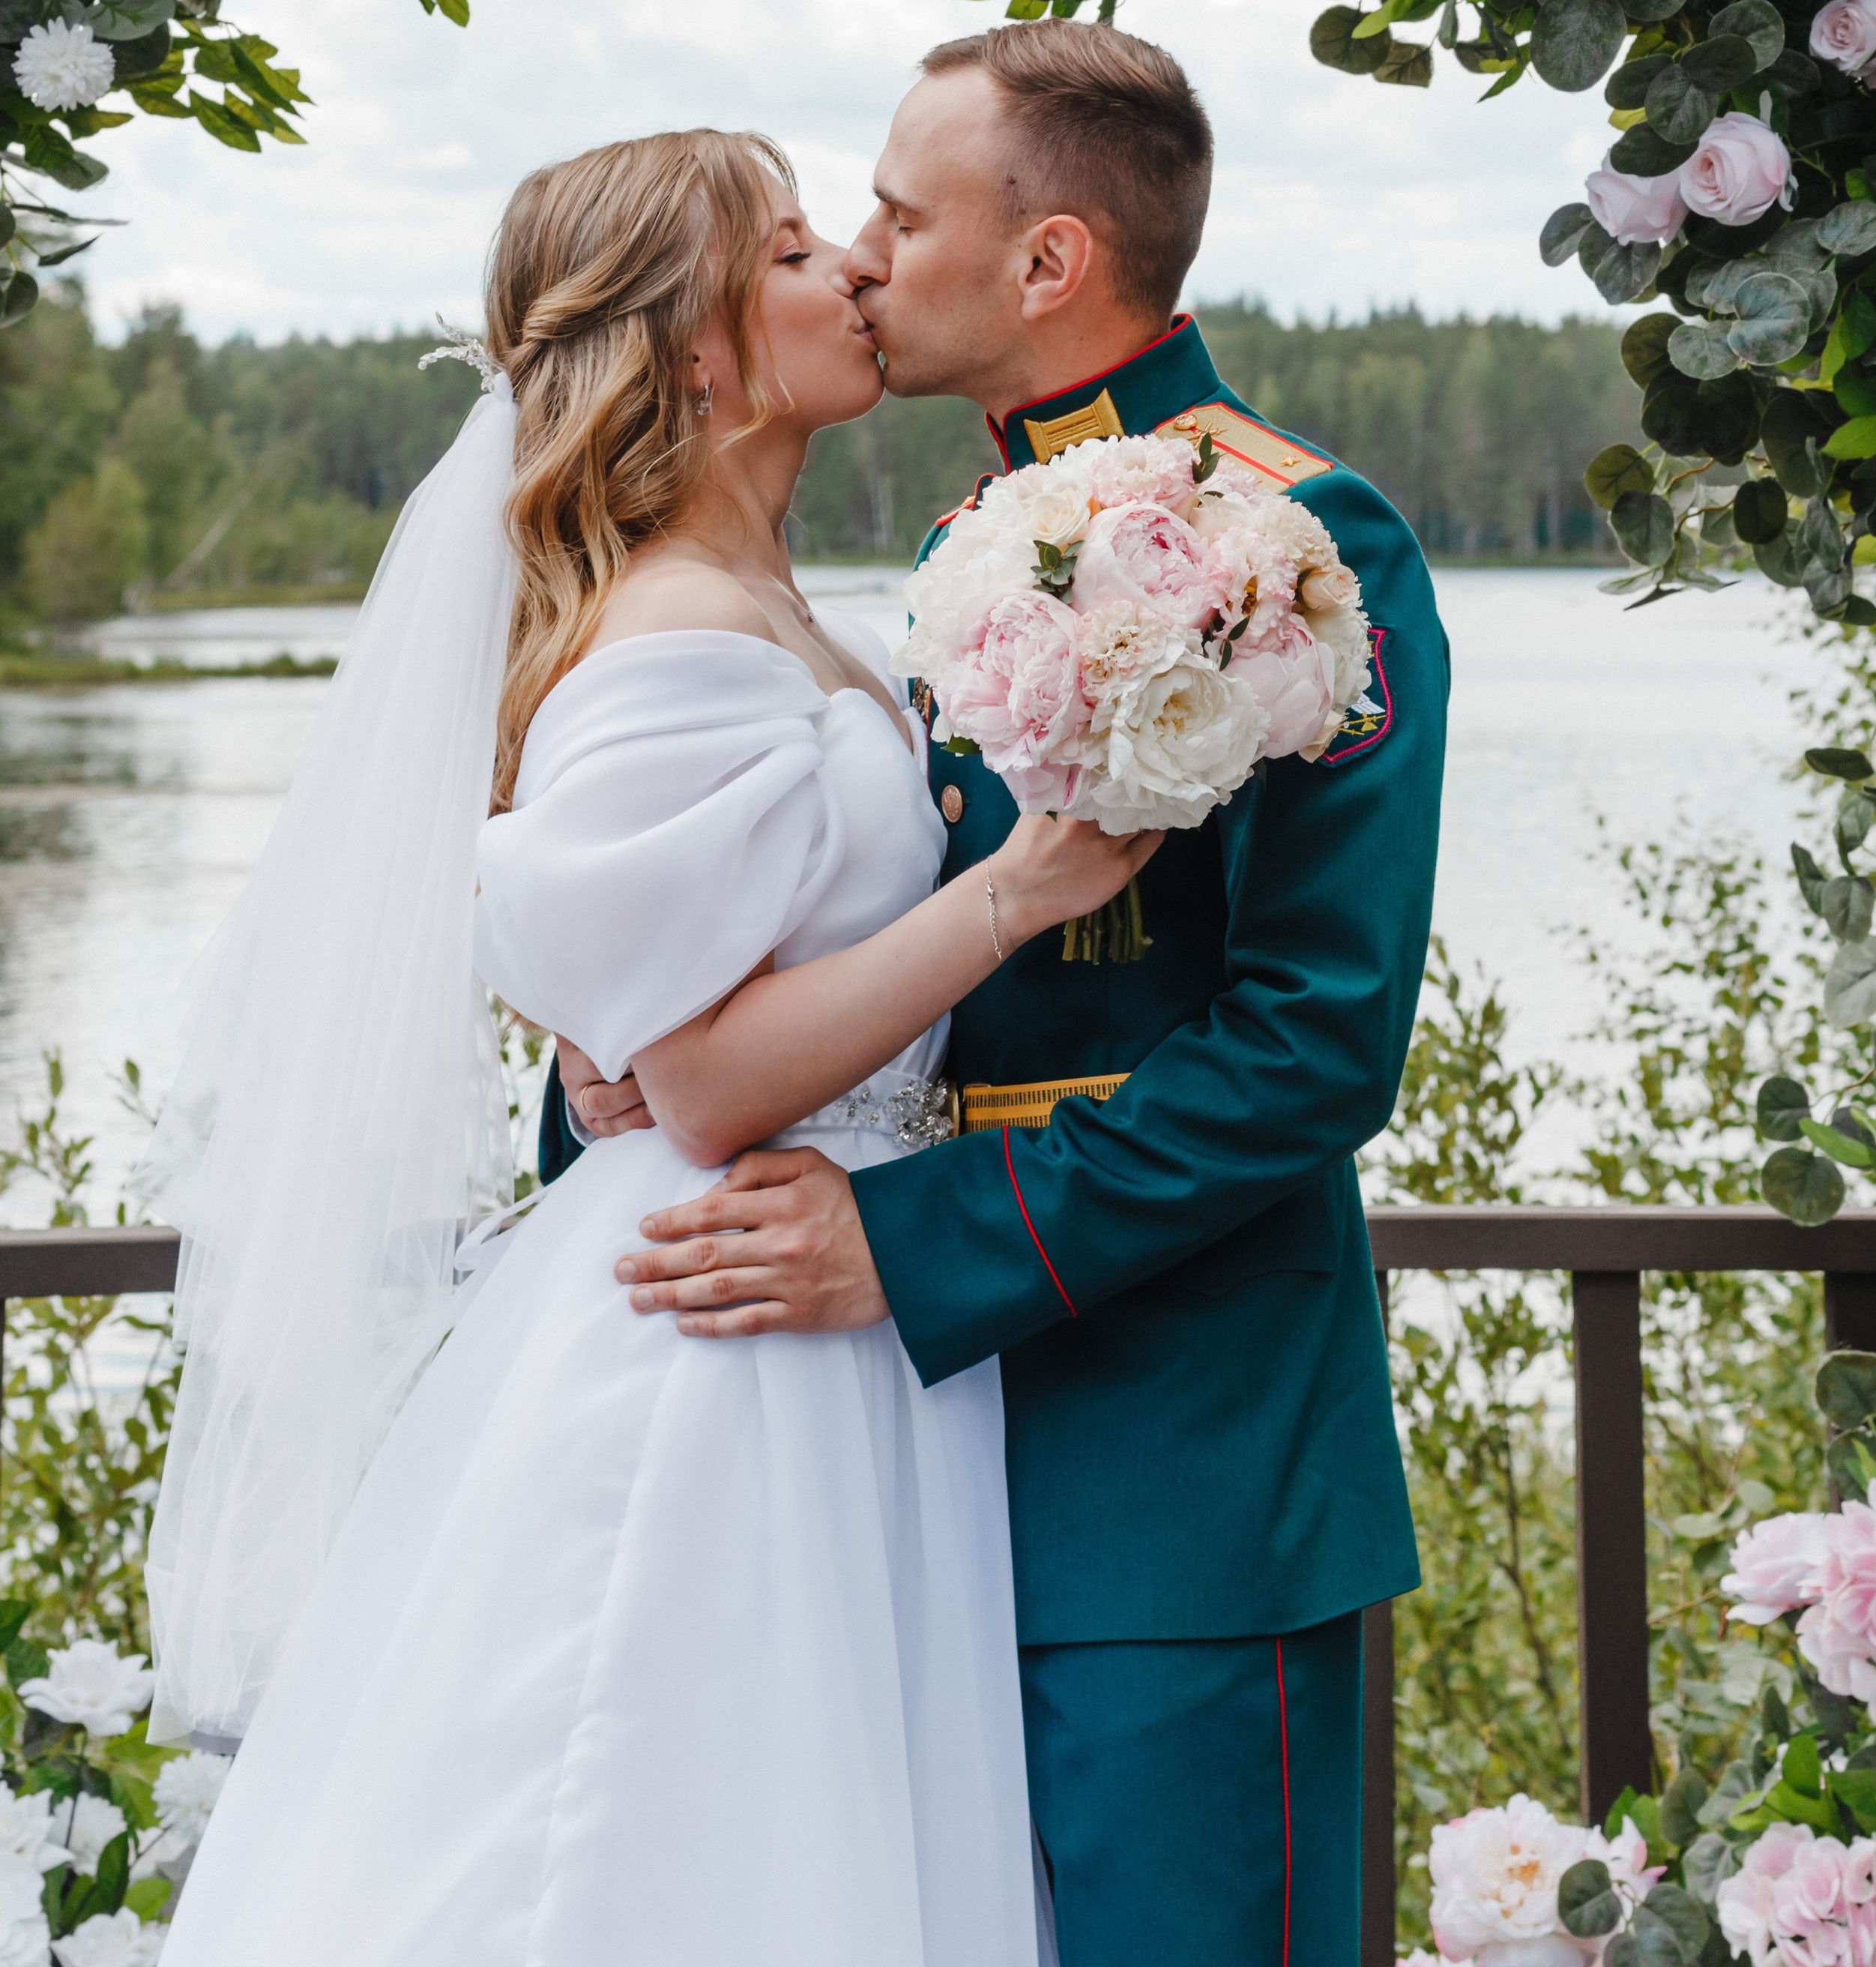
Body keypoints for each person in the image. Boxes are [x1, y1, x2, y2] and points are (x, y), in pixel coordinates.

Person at [147, 126, 1157, 1967]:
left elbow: (685, 984)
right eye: (786, 251)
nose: (848, 268)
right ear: (693, 348)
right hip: (721, 1341)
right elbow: (694, 1080)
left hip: (826, 1306)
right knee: (645, 1823)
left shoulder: (796, 618)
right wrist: (1015, 895)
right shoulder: (676, 635)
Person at [551, 22, 1451, 1966]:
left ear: (1047, 263)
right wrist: (620, 1051)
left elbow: (1317, 1041)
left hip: (1176, 1465)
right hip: (892, 1463)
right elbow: (887, 952)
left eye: (896, 208)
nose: (861, 255)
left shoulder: (1308, 541)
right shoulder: (965, 542)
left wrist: (911, 1241)